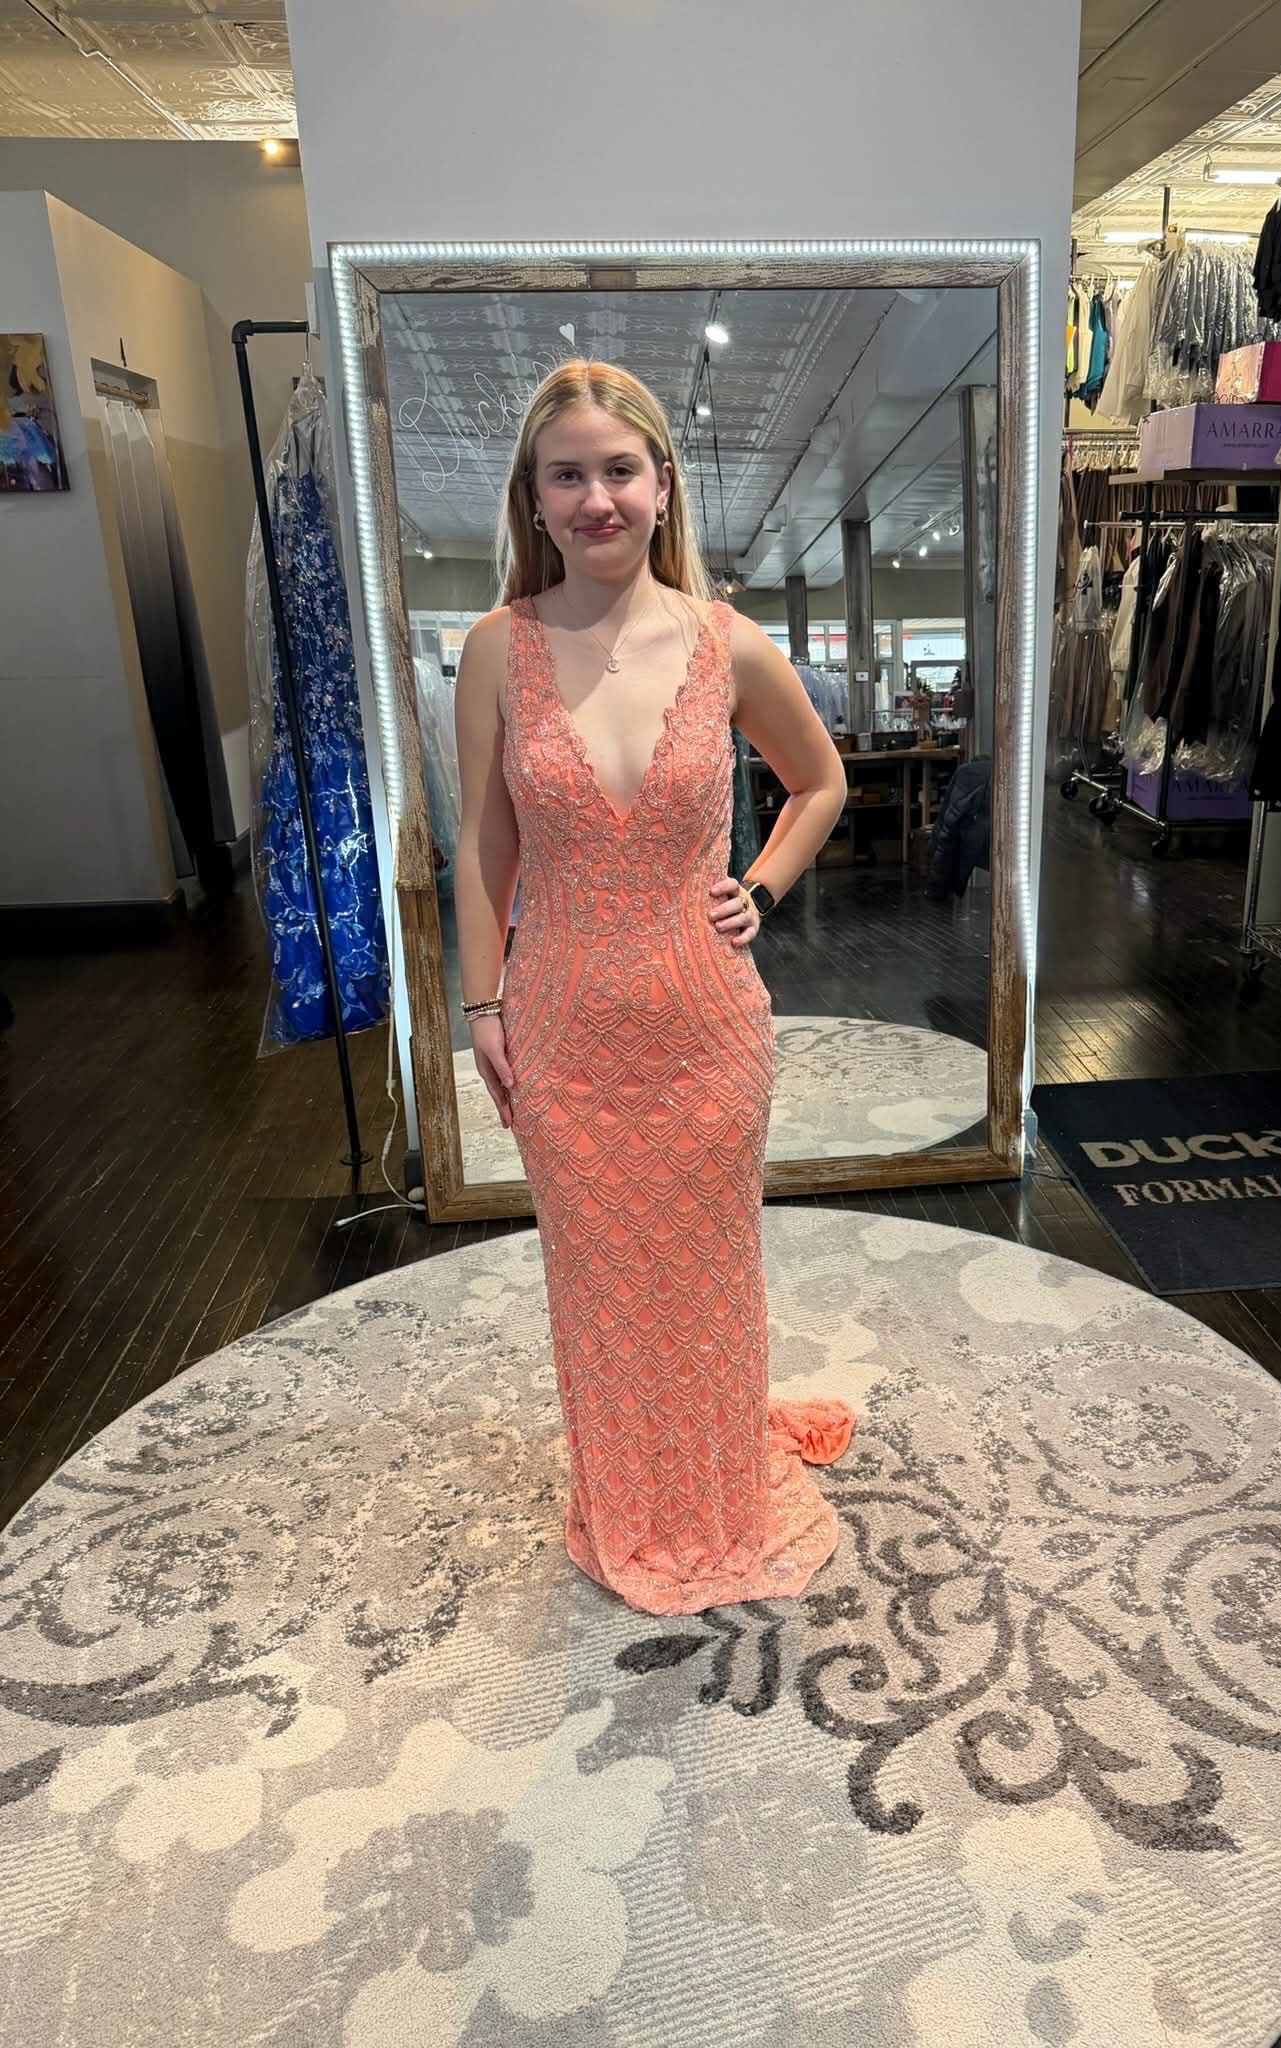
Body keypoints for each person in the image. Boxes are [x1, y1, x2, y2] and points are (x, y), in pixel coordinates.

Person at [451, 360, 857, 1617]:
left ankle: (720, 1491)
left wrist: (765, 884)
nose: (596, 497)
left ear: (662, 484)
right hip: (567, 1027)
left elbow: (820, 781)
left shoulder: (725, 640)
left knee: (708, 1273)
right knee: (600, 1281)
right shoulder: (492, 652)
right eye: (566, 473)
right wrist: (483, 1005)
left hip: (703, 1028)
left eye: (618, 469)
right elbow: (480, 844)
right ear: (533, 497)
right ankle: (631, 1501)